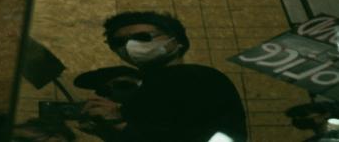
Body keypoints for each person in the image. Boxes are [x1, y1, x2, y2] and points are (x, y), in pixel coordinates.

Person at [83, 11, 247, 142]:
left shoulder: (196, 78)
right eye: (118, 42)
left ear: (176, 40)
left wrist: (119, 123)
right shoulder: (146, 86)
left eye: (142, 37)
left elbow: (191, 134)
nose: (129, 45)